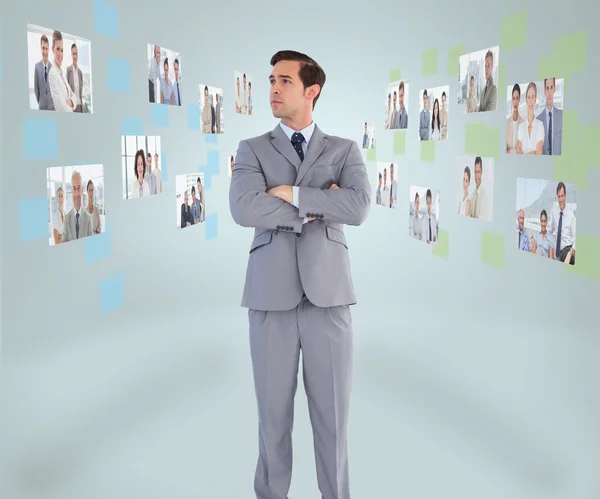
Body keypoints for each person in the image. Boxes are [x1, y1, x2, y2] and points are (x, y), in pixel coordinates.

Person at [229, 50, 371, 499]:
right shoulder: (250, 149)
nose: (272, 87)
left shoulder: (345, 150)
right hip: (270, 297)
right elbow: (244, 207)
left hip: (329, 299)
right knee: (272, 421)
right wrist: (314, 208)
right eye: (271, 78)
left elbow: (358, 207)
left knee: (333, 423)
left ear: (312, 90)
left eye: (285, 80)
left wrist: (291, 193)